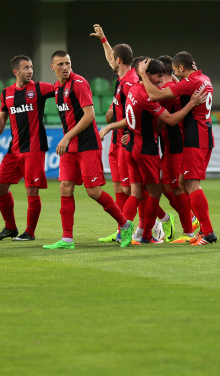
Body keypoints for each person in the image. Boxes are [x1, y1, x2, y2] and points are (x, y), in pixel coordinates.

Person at [102, 59, 205, 244]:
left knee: (142, 192)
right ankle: (150, 234)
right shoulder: (154, 94)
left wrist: (115, 128)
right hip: (149, 148)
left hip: (138, 146)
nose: (159, 81)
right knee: (159, 191)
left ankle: (128, 232)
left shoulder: (133, 89)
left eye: (161, 76)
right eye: (157, 76)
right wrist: (191, 103)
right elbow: (166, 120)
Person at [44, 51, 133, 249]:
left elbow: (90, 115)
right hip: (70, 147)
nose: (65, 67)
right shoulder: (57, 88)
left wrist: (67, 136)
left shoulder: (79, 83)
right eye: (60, 64)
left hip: (87, 145)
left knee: (93, 192)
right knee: (65, 188)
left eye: (68, 63)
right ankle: (67, 239)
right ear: (52, 67)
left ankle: (125, 224)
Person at [137, 52, 217, 246]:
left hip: (194, 138)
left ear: (181, 68)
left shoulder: (189, 83)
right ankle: (197, 229)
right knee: (182, 183)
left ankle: (206, 232)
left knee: (190, 185)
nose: (175, 76)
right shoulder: (204, 79)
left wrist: (141, 75)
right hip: (204, 134)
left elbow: (154, 94)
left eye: (175, 71)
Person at [0, 55, 52, 242]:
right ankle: (10, 228)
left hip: (34, 148)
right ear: (16, 72)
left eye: (31, 67)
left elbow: (62, 89)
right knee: (0, 186)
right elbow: (1, 119)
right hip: (14, 149)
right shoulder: (6, 93)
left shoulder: (40, 88)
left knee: (32, 190)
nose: (30, 71)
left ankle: (29, 233)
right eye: (25, 68)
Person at [89, 25, 139, 243]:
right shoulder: (121, 80)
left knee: (131, 189)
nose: (109, 60)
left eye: (112, 58)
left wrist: (111, 126)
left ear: (118, 60)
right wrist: (104, 40)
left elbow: (134, 115)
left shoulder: (131, 82)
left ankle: (157, 222)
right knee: (119, 187)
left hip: (126, 140)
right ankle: (122, 229)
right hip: (116, 142)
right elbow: (111, 55)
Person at [156, 55, 199, 243]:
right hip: (168, 146)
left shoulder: (167, 89)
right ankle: (189, 220)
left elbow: (160, 123)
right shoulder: (173, 85)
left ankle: (190, 228)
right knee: (167, 187)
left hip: (175, 146)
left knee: (177, 188)